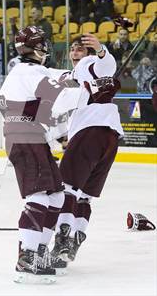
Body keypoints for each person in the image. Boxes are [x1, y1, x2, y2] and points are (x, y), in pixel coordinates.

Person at [0, 26, 71, 283]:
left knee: (57, 195)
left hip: (32, 137)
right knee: (39, 194)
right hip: (25, 137)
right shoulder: (27, 71)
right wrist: (85, 88)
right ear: (36, 47)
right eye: (43, 44)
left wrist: (81, 76)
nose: (46, 49)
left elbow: (57, 80)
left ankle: (39, 249)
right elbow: (56, 93)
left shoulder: (25, 71)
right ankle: (27, 256)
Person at [51, 35, 122, 269]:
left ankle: (61, 241)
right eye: (72, 48)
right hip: (110, 135)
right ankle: (76, 239)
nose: (76, 51)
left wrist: (101, 49)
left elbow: (107, 65)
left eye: (80, 48)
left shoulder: (89, 63)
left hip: (90, 130)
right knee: (85, 196)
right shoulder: (73, 75)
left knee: (67, 188)